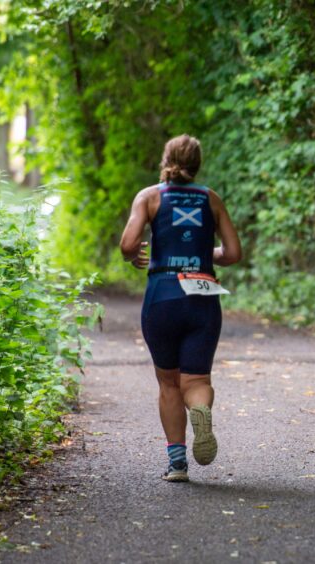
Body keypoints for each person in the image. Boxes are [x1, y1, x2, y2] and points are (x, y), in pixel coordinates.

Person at [120, 134, 242, 481]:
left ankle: (177, 464)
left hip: (162, 295)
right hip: (203, 296)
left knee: (169, 382)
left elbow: (128, 244)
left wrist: (134, 256)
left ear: (166, 160)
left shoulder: (149, 197)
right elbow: (232, 253)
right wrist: (209, 255)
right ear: (197, 164)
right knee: (197, 378)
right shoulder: (211, 199)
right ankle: (200, 408)